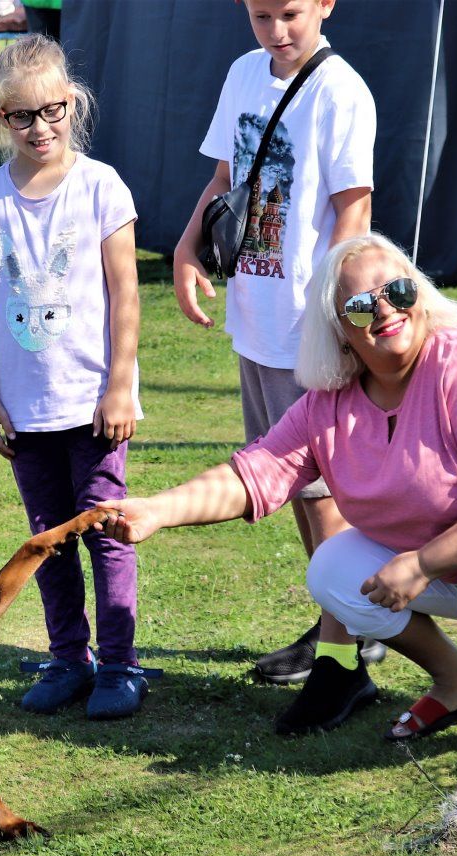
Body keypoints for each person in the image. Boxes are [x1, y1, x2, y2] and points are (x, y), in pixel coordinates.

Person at [98, 233, 457, 753]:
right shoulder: (329, 401)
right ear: (338, 329)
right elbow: (255, 473)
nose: (384, 311)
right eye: (359, 306)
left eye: (397, 291)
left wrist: (422, 563)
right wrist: (155, 511)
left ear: (420, 295)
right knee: (334, 568)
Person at [171, 0, 380, 691]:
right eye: (261, 15)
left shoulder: (342, 89)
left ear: (325, 4)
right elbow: (225, 180)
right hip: (255, 317)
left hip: (308, 325)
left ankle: (345, 638)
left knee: (323, 487)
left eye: (290, 12)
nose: (277, 31)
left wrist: (338, 317)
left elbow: (354, 211)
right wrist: (186, 248)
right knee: (293, 482)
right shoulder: (241, 74)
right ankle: (336, 618)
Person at [0, 34, 148, 720]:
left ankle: (121, 665)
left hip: (94, 404)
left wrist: (119, 384)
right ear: (0, 118)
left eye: (53, 110)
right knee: (47, 537)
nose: (41, 127)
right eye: (21, 115)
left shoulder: (102, 187)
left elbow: (126, 292)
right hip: (25, 409)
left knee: (105, 532)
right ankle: (70, 657)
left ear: (74, 103)